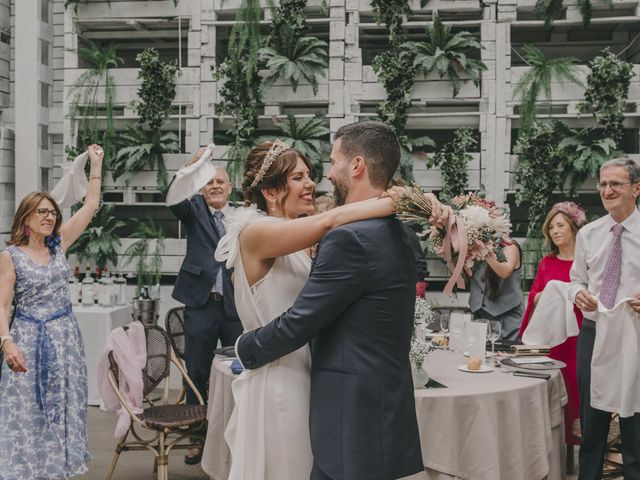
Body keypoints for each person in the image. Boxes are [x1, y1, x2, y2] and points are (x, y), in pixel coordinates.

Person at [232, 121, 450, 480]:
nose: (321, 178)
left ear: (358, 165)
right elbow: (331, 220)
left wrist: (245, 348)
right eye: (299, 177)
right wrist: (402, 200)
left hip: (334, 394)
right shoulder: (396, 232)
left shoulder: (342, 237)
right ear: (271, 191)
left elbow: (304, 317)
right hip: (300, 381)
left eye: (330, 163)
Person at [0, 144, 104, 479]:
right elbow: (2, 304)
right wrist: (6, 342)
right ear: (26, 218)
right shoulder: (11, 255)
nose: (50, 217)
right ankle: (26, 469)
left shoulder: (60, 244)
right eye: (42, 212)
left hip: (65, 340)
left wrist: (96, 165)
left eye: (52, 212)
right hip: (28, 337)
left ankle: (56, 469)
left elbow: (91, 205)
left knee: (63, 405)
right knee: (26, 409)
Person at [167, 149, 242, 464]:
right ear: (201, 188)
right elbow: (171, 200)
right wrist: (188, 169)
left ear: (230, 187)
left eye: (220, 182)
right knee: (196, 373)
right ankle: (196, 439)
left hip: (234, 306)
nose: (215, 186)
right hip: (201, 304)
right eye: (209, 182)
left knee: (241, 371)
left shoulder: (241, 215)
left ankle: (236, 437)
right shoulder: (193, 208)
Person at [569, 157, 640, 479]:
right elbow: (576, 280)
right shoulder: (588, 234)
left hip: (635, 334)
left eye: (616, 184)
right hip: (594, 330)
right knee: (593, 420)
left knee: (635, 422)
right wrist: (578, 294)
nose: (607, 190)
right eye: (603, 184)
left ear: (636, 189)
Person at [519, 201, 586, 447]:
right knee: (557, 387)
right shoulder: (547, 263)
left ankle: (580, 445)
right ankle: (556, 446)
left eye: (560, 225)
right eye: (551, 228)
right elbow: (534, 297)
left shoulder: (586, 261)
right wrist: (550, 293)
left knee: (579, 386)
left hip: (580, 335)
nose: (555, 231)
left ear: (574, 228)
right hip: (553, 340)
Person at [468, 237, 524, 340]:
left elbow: (505, 271)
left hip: (507, 318)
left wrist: (485, 252)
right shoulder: (472, 245)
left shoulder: (509, 247)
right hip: (479, 316)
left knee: (506, 355)